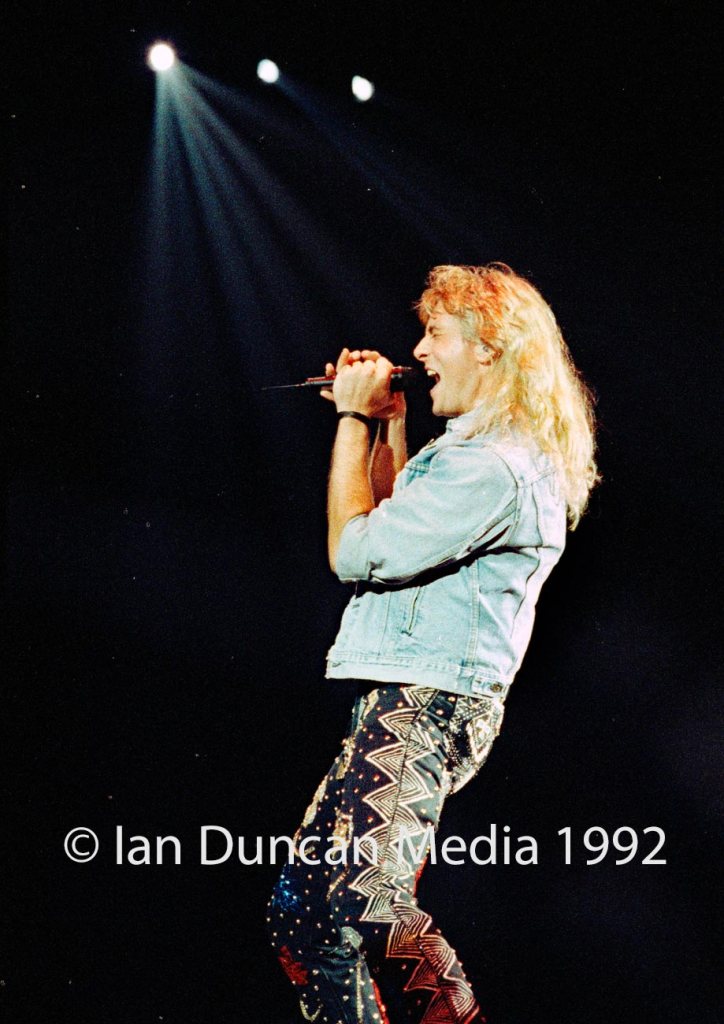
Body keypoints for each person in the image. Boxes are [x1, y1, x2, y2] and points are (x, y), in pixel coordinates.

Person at [267, 263, 598, 1024]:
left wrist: (349, 423)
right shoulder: (470, 457)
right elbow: (394, 524)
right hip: (404, 697)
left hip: (428, 702)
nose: (417, 351)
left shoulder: (497, 466)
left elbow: (356, 550)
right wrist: (385, 424)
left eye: (436, 334)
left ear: (491, 348)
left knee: (364, 893)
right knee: (305, 913)